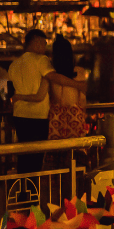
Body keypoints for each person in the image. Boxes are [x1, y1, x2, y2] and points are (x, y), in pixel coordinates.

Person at [8, 30, 87, 172]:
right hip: (45, 116)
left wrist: (19, 98)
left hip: (25, 115)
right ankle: (36, 191)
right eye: (44, 43)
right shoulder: (42, 61)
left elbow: (16, 90)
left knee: (25, 155)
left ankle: (22, 190)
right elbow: (55, 82)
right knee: (40, 158)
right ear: (36, 41)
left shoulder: (14, 64)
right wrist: (78, 86)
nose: (45, 48)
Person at [47, 34, 88, 139]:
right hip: (74, 114)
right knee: (74, 150)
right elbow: (82, 100)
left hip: (55, 116)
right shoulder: (79, 72)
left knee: (55, 150)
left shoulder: (50, 73)